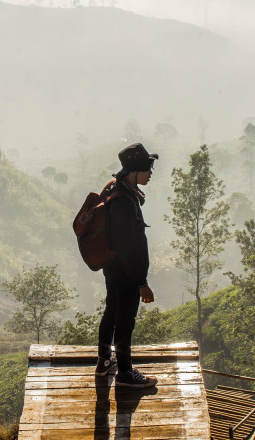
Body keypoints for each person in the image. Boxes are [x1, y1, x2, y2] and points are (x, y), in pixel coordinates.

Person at [95, 143, 159, 389]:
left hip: (114, 268)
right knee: (124, 320)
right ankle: (124, 373)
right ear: (134, 171)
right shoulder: (123, 200)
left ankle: (103, 362)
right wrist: (141, 283)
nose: (150, 173)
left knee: (112, 312)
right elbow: (126, 247)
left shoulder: (117, 187)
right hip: (126, 273)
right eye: (147, 168)